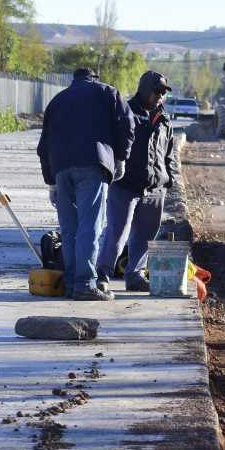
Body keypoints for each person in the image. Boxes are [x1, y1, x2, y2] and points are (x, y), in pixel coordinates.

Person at [37, 67, 134, 301]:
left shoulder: (57, 100)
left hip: (61, 169)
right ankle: (85, 283)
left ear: (74, 80)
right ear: (94, 78)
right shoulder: (107, 93)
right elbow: (127, 126)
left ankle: (71, 283)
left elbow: (43, 145)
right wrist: (120, 157)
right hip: (92, 165)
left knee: (69, 229)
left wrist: (51, 182)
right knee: (90, 226)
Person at [97, 71, 175, 294]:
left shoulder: (164, 119)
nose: (160, 96)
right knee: (117, 232)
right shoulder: (125, 112)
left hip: (155, 188)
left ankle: (136, 275)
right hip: (126, 185)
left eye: (163, 93)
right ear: (144, 90)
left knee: (146, 235)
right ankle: (102, 274)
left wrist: (168, 180)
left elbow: (169, 152)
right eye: (157, 91)